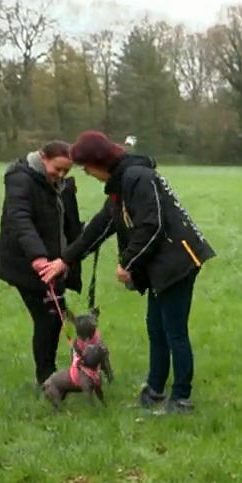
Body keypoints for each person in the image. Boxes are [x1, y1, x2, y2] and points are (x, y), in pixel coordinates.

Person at [53, 131, 216, 415]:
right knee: (156, 328)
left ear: (98, 162)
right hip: (159, 265)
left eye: (87, 168)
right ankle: (154, 391)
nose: (88, 174)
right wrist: (65, 260)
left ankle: (181, 399)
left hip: (178, 261)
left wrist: (127, 262)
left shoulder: (137, 178)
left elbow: (151, 225)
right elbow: (100, 227)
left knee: (173, 331)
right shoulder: (121, 184)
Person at [0, 140, 83, 385]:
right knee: (48, 318)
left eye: (67, 171)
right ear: (43, 157)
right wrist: (37, 256)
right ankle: (46, 378)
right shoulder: (20, 179)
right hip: (29, 264)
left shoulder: (60, 184)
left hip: (55, 265)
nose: (62, 175)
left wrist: (79, 245)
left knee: (55, 317)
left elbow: (66, 221)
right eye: (58, 168)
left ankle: (51, 373)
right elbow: (20, 219)